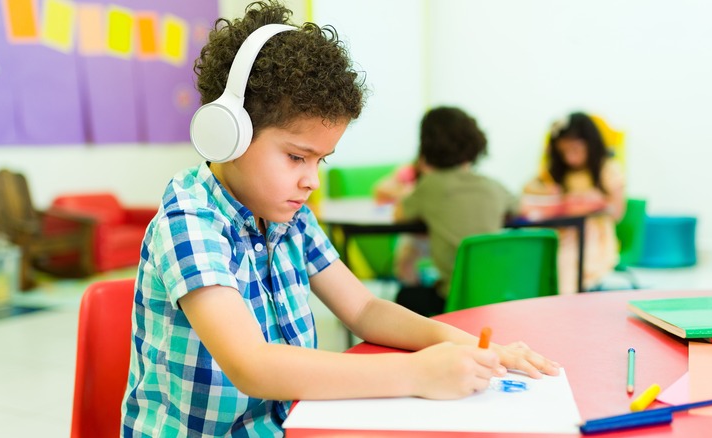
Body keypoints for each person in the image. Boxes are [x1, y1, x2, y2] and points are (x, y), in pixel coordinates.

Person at [121, 2, 559, 436]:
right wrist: (416, 373)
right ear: (227, 133)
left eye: (321, 160)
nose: (311, 180)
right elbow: (251, 365)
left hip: (289, 427)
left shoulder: (290, 218)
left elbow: (365, 309)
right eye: (296, 157)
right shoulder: (189, 221)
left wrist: (470, 347)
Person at [393, 106, 521, 316]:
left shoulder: (429, 186)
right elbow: (518, 206)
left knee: (406, 296)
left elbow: (399, 215)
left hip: (453, 302)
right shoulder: (493, 186)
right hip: (498, 297)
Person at [523, 112, 626, 294]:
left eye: (575, 150)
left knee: (568, 260)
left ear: (591, 145)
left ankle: (565, 300)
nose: (570, 158)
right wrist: (550, 193)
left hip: (594, 238)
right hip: (562, 234)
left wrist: (598, 202)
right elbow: (527, 191)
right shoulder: (557, 173)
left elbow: (617, 212)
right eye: (564, 153)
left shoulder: (607, 169)